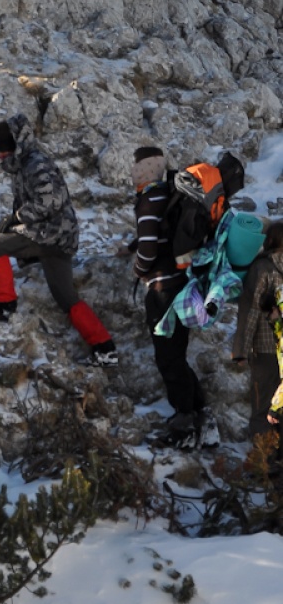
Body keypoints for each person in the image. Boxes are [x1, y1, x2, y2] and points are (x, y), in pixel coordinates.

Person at [0, 114, 117, 366]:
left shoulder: (35, 165)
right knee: (66, 298)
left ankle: (5, 306)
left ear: (14, 146)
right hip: (59, 237)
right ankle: (105, 348)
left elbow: (48, 202)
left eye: (3, 152)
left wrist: (17, 218)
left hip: (49, 234)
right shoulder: (25, 163)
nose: (0, 157)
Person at [129, 144, 215, 447]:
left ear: (141, 169)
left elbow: (148, 250)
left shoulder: (148, 199)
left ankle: (184, 425)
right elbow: (163, 235)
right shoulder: (171, 192)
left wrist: (138, 269)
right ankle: (203, 418)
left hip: (163, 290)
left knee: (168, 358)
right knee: (177, 355)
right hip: (186, 285)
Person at [233, 221, 283, 447]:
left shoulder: (262, 268)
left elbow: (251, 310)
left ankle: (264, 458)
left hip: (266, 349)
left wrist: (241, 350)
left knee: (263, 406)